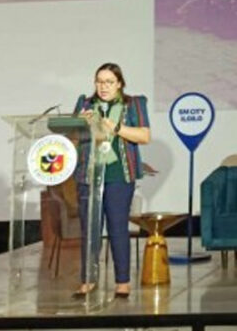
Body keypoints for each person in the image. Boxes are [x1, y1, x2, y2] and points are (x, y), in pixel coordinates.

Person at [71, 62, 151, 299]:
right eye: (99, 81)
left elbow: (144, 136)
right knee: (90, 230)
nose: (103, 86)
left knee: (117, 228)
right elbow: (72, 137)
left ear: (119, 84)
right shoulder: (85, 104)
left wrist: (115, 127)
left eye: (109, 82)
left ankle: (122, 282)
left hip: (119, 175)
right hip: (89, 174)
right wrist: (80, 125)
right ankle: (88, 280)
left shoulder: (133, 103)